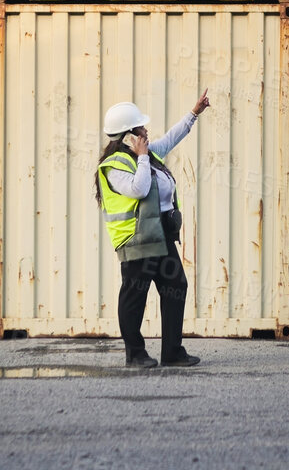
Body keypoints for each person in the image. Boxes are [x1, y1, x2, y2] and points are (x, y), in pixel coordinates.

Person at [96, 89, 212, 369]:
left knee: (176, 286)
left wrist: (193, 114)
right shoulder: (114, 166)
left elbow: (171, 138)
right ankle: (135, 354)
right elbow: (139, 189)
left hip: (160, 237)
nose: (146, 131)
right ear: (128, 135)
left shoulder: (147, 155)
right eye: (141, 128)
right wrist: (143, 157)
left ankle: (172, 352)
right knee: (135, 295)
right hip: (136, 241)